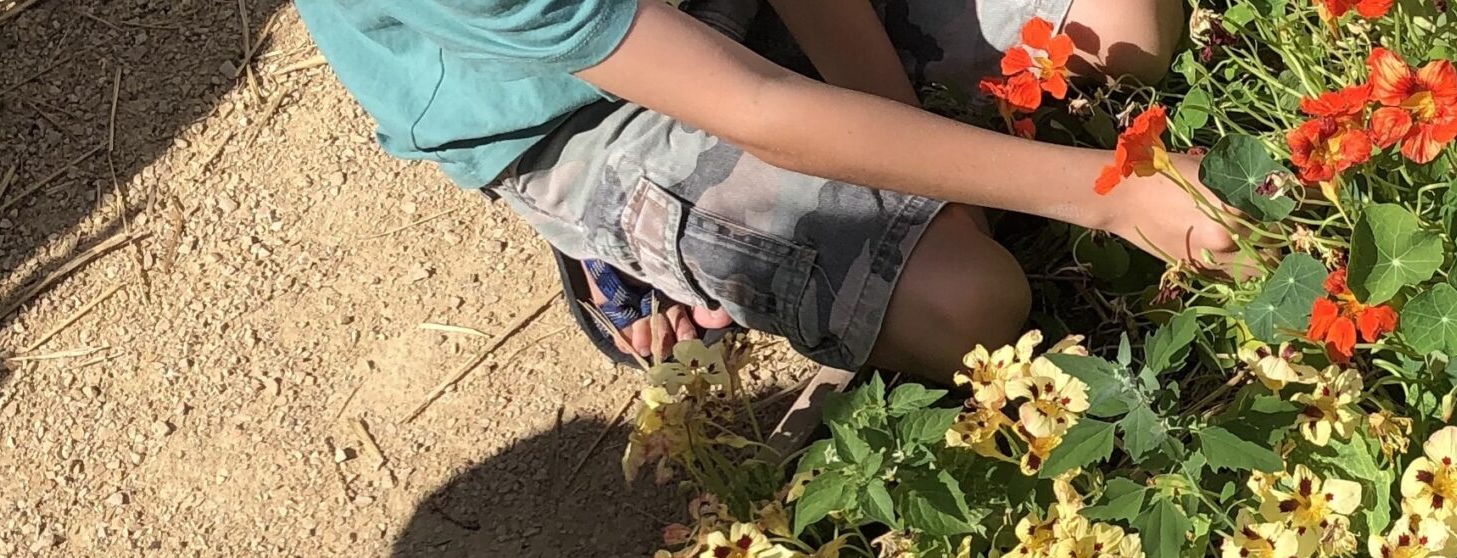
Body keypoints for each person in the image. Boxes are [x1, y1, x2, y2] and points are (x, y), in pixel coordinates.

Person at [290, 0, 1234, 372]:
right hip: (581, 108)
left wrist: (925, 148)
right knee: (970, 303)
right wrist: (1110, 192)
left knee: (1124, 32)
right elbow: (752, 102)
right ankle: (603, 234)